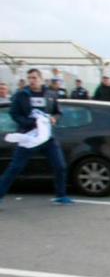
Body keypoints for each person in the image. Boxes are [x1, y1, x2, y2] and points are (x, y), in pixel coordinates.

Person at [0, 69, 73, 207]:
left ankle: (61, 196)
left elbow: (58, 112)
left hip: (47, 137)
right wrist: (30, 122)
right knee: (15, 167)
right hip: (28, 137)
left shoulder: (50, 93)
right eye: (29, 78)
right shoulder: (21, 95)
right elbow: (14, 114)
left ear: (41, 79)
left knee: (60, 166)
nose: (32, 80)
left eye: (34, 77)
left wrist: (54, 119)